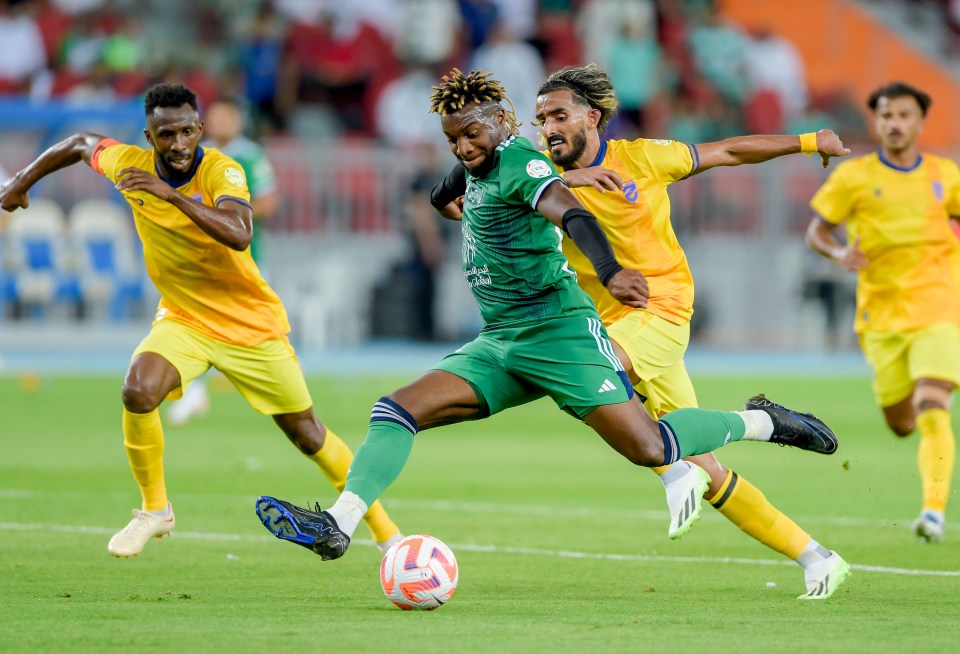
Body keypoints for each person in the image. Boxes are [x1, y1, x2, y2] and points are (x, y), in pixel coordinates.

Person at [254, 68, 838, 568]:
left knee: (655, 444)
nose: (462, 147)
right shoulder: (485, 159)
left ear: (506, 122)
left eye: (471, 134)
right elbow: (455, 185)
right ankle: (339, 523)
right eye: (452, 138)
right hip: (504, 340)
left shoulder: (531, 162)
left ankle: (760, 426)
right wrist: (445, 194)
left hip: (568, 331)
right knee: (397, 409)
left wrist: (610, 270)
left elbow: (572, 216)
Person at [0, 83, 402, 558]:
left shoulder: (222, 169)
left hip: (249, 323)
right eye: (165, 134)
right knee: (137, 389)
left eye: (187, 132)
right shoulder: (128, 163)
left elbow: (239, 232)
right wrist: (20, 183)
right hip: (185, 318)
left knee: (307, 432)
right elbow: (78, 143)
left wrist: (171, 198)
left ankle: (387, 534)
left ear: (200, 130)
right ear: (148, 136)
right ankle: (154, 510)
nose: (178, 144)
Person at [528, 64, 852, 600]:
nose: (548, 128)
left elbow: (727, 152)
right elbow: (460, 202)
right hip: (611, 325)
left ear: (592, 117)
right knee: (705, 463)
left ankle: (684, 465)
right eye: (542, 120)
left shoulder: (643, 158)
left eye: (559, 115)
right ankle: (817, 557)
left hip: (664, 308)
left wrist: (806, 139)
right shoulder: (537, 174)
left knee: (589, 378)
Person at [806, 81, 960, 544]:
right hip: (881, 317)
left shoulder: (945, 174)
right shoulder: (853, 177)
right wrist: (838, 256)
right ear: (876, 121)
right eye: (887, 115)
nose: (895, 123)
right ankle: (916, 419)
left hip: (938, 306)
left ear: (919, 122)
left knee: (934, 407)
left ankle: (933, 512)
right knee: (900, 422)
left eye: (904, 115)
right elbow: (817, 232)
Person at [166, 95, 279, 426]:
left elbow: (269, 204)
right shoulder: (195, 156)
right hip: (202, 258)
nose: (219, 124)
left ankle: (276, 376)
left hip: (245, 258)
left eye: (226, 117)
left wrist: (224, 218)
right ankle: (194, 389)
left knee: (251, 324)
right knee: (193, 321)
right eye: (214, 118)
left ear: (238, 121)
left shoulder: (250, 156)